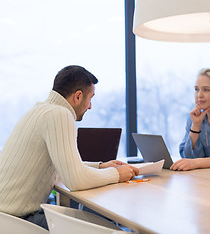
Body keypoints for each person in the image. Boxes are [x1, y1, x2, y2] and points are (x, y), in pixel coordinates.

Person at [0, 65, 139, 229]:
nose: (90, 106)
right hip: (19, 221)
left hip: (7, 217)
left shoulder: (38, 110)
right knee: (111, 229)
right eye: (90, 98)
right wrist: (117, 174)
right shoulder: (59, 114)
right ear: (78, 96)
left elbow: (60, 163)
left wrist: (101, 166)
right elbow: (75, 180)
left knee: (101, 225)